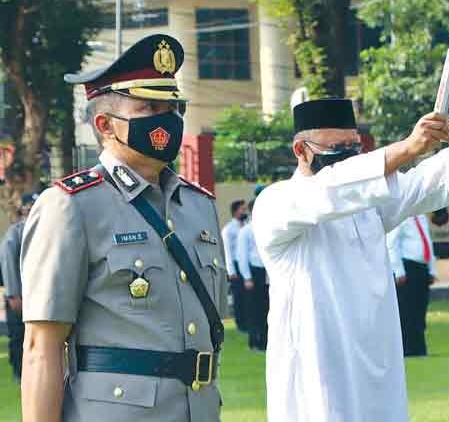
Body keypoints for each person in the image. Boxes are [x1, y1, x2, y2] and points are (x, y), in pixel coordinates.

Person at [20, 34, 228, 422]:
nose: (167, 118)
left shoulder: (199, 207)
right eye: (149, 106)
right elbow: (40, 348)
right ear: (105, 125)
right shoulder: (71, 206)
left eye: (172, 106)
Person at [253, 98, 449, 422]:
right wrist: (409, 147)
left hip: (376, 357)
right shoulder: (278, 202)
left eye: (355, 145)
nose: (350, 154)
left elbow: (421, 185)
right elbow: (332, 188)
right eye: (337, 146)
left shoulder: (368, 202)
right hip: (319, 363)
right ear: (301, 150)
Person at [0, 192, 39, 383]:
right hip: (20, 295)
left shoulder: (45, 230)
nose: (31, 210)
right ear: (22, 211)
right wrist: (13, 293)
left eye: (35, 206)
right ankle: (18, 371)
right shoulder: (15, 232)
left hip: (39, 294)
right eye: (28, 207)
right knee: (18, 336)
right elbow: (8, 262)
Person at [388, 214, 438, 357]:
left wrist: (432, 268)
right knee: (407, 310)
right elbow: (393, 244)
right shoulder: (400, 216)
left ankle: (419, 347)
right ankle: (408, 348)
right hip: (407, 266)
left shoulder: (421, 217)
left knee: (420, 309)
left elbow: (427, 242)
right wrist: (398, 270)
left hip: (422, 267)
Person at [237, 201, 269, 351]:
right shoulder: (246, 231)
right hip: (253, 271)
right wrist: (247, 277)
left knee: (265, 308)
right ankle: (253, 341)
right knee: (253, 309)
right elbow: (242, 255)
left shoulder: (267, 226)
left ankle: (264, 341)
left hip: (266, 272)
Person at [222, 200, 250, 333]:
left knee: (248, 296)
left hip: (247, 264)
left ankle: (248, 321)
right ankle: (240, 324)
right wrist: (231, 270)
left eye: (245, 209)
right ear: (235, 212)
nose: (245, 212)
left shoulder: (247, 226)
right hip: (235, 265)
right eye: (242, 209)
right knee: (238, 296)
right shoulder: (228, 229)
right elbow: (227, 251)